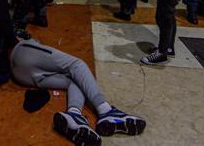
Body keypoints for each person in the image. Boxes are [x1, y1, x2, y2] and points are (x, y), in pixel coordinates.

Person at [11, 37, 146, 145]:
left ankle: (74, 114)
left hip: (19, 76)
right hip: (20, 50)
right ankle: (106, 110)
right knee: (77, 64)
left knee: (75, 80)